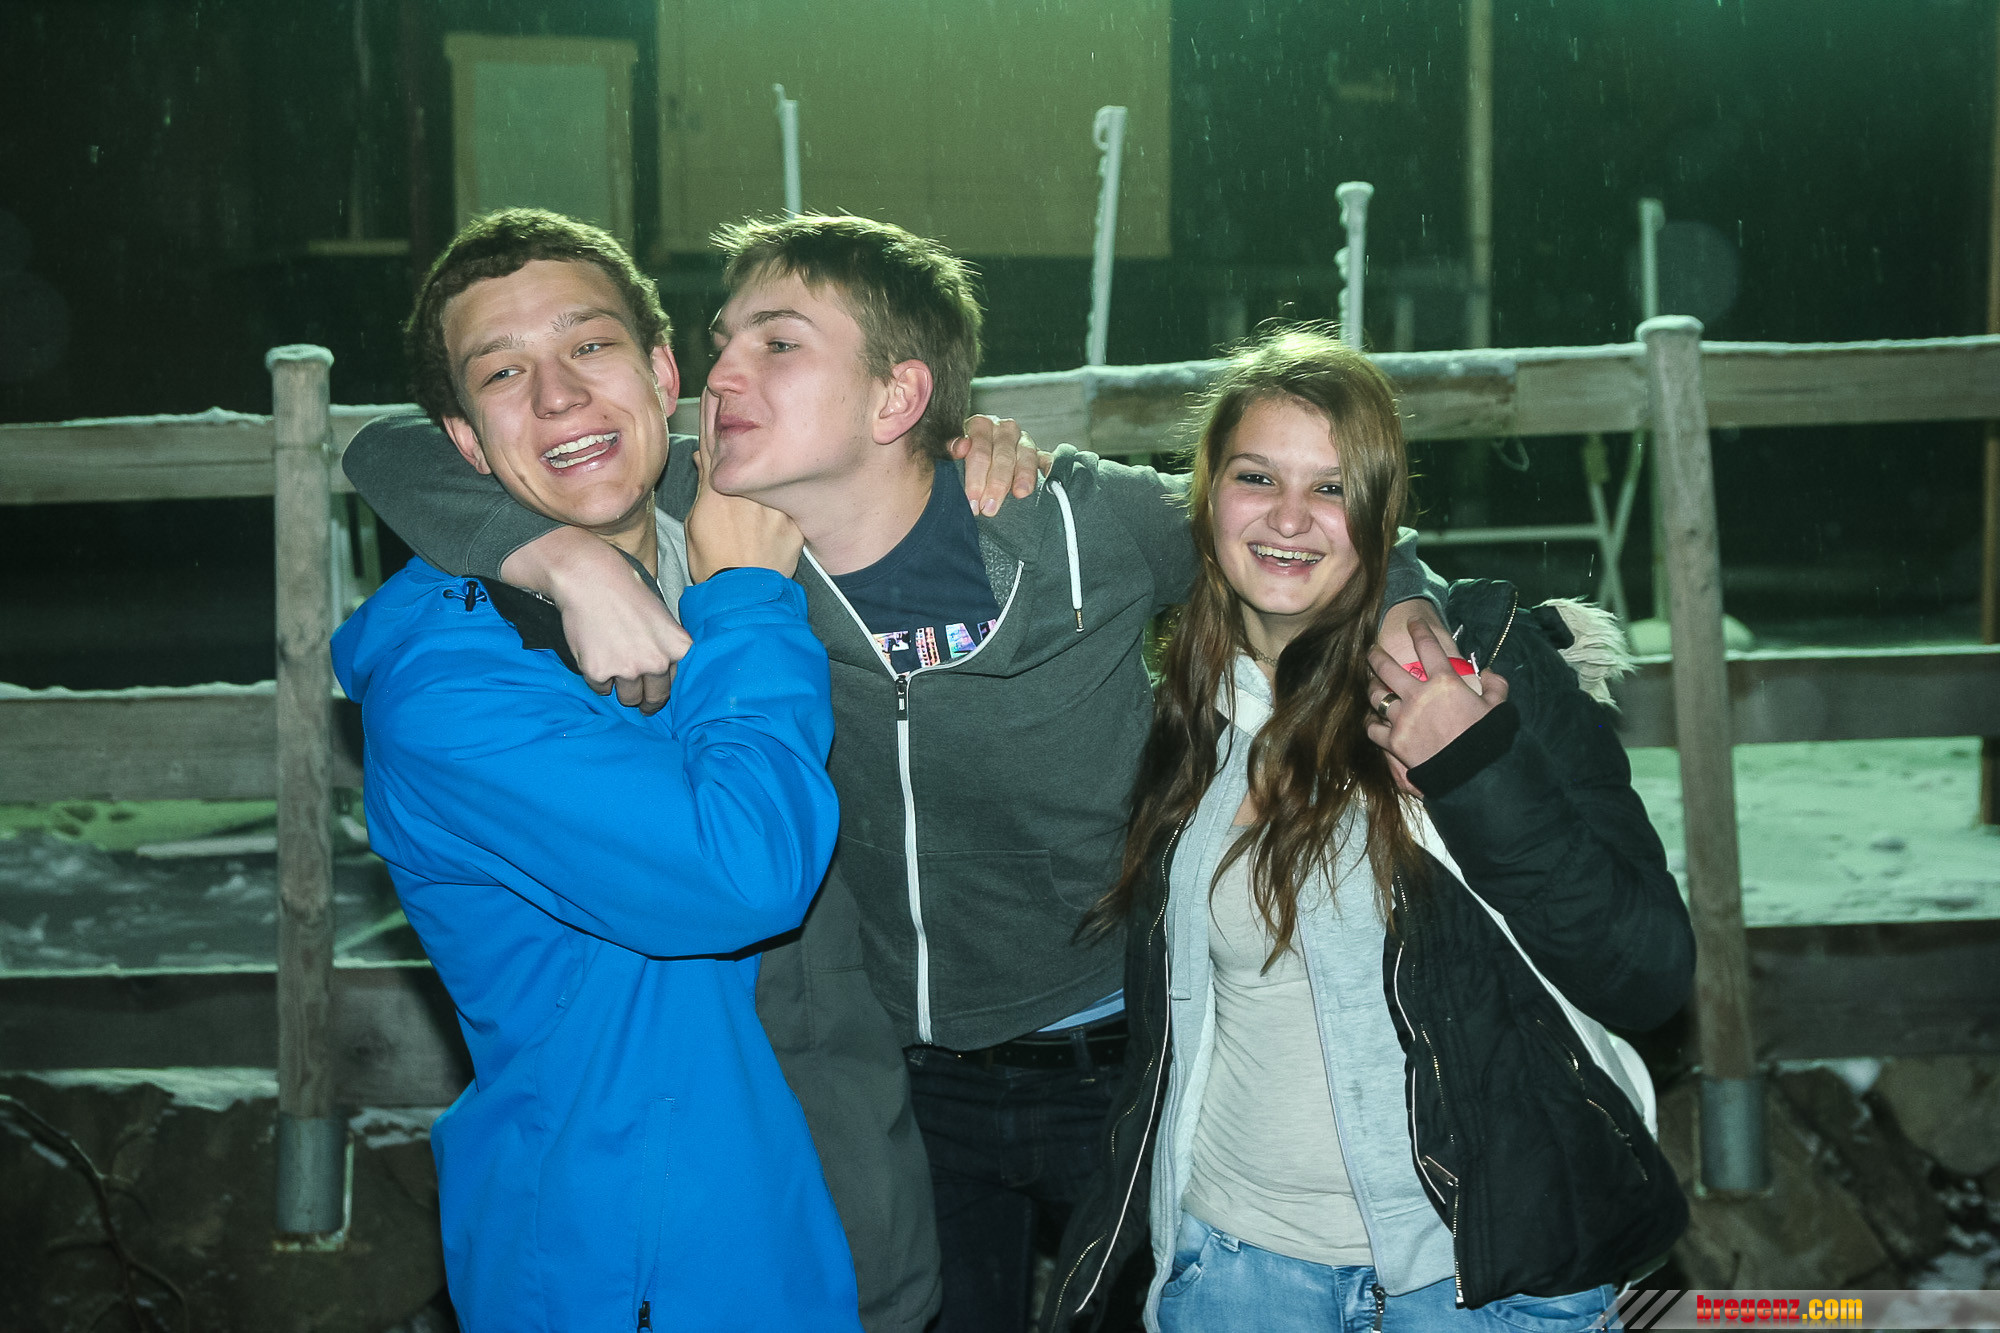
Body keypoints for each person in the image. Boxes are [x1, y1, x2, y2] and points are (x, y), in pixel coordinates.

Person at [343, 214, 1448, 1333]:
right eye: (724, 345)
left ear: (896, 396)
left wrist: (1403, 605)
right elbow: (393, 451)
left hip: (1116, 1050)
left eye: (776, 343)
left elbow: (1281, 524)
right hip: (901, 1074)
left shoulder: (1049, 521)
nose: (725, 376)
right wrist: (555, 556)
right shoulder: (727, 532)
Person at [1045, 327, 1694, 1333]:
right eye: (1256, 476)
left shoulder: (1479, 667)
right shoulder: (1185, 710)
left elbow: (1644, 970)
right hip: (1238, 1276)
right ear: (1206, 497)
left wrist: (1470, 767)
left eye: (1333, 487)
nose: (1288, 517)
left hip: (1478, 1280)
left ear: (1381, 514)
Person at [329, 210, 867, 1329]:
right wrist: (746, 602)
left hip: (796, 1202)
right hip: (622, 1250)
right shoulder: (449, 690)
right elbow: (743, 872)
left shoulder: (707, 530)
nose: (559, 395)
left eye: (589, 344)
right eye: (504, 372)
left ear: (663, 373)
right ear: (465, 443)